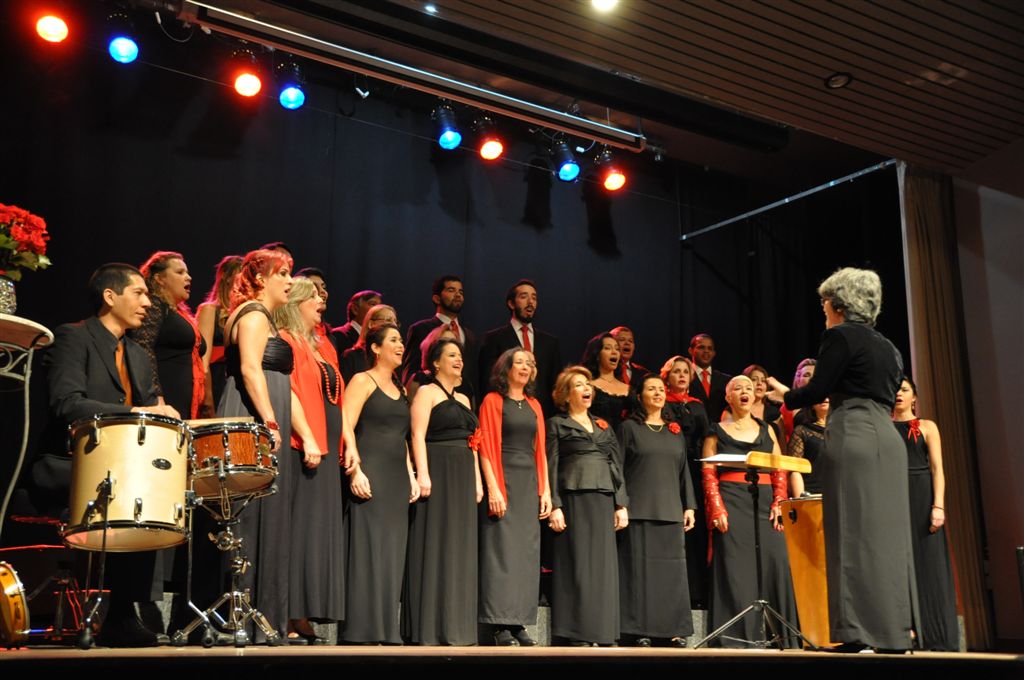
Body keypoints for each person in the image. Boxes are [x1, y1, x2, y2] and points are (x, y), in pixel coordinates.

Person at [774, 266, 914, 652]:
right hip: (887, 439)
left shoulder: (839, 336)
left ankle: (856, 632)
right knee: (885, 536)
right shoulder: (889, 347)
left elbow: (818, 388)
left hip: (854, 432)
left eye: (825, 305)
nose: (823, 312)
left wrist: (785, 395)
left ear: (838, 305)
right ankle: (892, 632)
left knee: (850, 532)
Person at [45, 263, 180, 647]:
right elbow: (67, 403)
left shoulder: (136, 353)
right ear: (110, 296)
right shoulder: (73, 337)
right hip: (73, 464)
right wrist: (137, 411)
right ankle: (120, 613)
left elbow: (151, 408)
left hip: (124, 468)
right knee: (130, 491)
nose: (147, 302)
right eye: (138, 293)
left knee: (154, 494)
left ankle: (126, 610)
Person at [218, 248, 294, 642]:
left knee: (266, 515)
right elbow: (250, 369)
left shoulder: (260, 315)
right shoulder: (252, 314)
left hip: (261, 417)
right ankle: (243, 619)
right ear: (261, 279)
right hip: (251, 419)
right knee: (250, 518)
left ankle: (260, 618)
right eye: (283, 273)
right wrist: (270, 421)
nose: (290, 281)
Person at [274, 277, 345, 645]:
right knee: (299, 529)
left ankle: (303, 609)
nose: (322, 301)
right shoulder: (286, 340)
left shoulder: (322, 344)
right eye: (314, 296)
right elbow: (289, 393)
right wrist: (308, 437)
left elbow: (337, 398)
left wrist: (348, 444)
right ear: (296, 303)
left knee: (317, 531)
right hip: (304, 443)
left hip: (328, 444)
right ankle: (288, 610)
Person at [702, 375, 797, 648]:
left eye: (748, 387)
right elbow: (708, 472)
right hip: (732, 501)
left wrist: (779, 501)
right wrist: (716, 506)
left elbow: (779, 467)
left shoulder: (767, 429)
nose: (744, 391)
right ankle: (738, 637)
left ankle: (779, 636)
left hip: (765, 502)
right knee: (735, 566)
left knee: (776, 560)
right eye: (737, 388)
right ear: (728, 397)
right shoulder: (716, 430)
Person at [341, 323, 419, 644]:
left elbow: (402, 438)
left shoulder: (402, 390)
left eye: (401, 340)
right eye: (393, 340)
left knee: (391, 552)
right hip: (370, 471)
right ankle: (361, 629)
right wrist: (354, 469)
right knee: (368, 549)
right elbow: (345, 423)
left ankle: (387, 629)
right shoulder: (363, 380)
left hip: (396, 479)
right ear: (375, 348)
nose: (400, 346)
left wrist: (411, 474)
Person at [403, 336, 481, 645]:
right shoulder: (426, 392)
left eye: (460, 355)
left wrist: (477, 480)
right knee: (436, 540)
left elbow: (473, 443)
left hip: (463, 473)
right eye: (451, 355)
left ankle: (456, 625)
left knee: (459, 545)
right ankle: (431, 626)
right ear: (436, 362)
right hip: (437, 467)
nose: (458, 360)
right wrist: (422, 473)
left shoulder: (464, 399)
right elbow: (417, 435)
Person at [546, 366, 629, 646]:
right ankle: (577, 632)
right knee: (577, 564)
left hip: (603, 498)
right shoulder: (557, 424)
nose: (586, 389)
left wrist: (621, 504)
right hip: (573, 498)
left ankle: (603, 632)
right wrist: (555, 505)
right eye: (579, 385)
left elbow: (616, 466)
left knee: (603, 567)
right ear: (566, 394)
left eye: (588, 385)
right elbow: (550, 465)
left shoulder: (603, 425)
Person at [478, 348, 551, 646]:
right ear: (506, 368)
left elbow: (540, 450)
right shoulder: (493, 401)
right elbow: (485, 447)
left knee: (525, 554)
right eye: (519, 362)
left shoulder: (534, 405)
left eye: (529, 363)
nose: (525, 367)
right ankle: (499, 624)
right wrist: (494, 488)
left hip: (528, 483)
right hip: (503, 478)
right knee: (501, 552)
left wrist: (545, 490)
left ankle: (519, 621)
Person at [616, 373, 696, 647]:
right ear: (640, 396)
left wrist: (689, 506)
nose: (659, 393)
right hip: (639, 511)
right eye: (652, 389)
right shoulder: (628, 428)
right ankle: (640, 630)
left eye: (661, 389)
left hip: (670, 511)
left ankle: (672, 630)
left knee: (671, 576)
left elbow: (684, 470)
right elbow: (617, 468)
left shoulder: (674, 431)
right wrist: (620, 503)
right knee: (640, 575)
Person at [893, 376, 958, 651]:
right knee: (898, 566)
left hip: (922, 497)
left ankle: (938, 634)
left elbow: (937, 469)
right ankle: (906, 633)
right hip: (893, 496)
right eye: (894, 390)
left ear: (914, 397)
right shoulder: (883, 427)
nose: (898, 394)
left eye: (904, 389)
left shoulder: (928, 426)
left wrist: (938, 505)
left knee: (930, 565)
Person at [660, 354, 711, 608]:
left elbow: (707, 438)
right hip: (670, 471)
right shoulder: (662, 404)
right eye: (676, 371)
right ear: (666, 376)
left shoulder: (698, 406)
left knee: (695, 531)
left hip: (694, 471)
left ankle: (696, 592)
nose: (681, 375)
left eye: (685, 372)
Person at [131, 251, 206, 419]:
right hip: (167, 399)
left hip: (186, 400)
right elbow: (143, 349)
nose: (188, 277)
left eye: (187, 272)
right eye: (180, 272)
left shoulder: (179, 312)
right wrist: (156, 397)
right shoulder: (153, 306)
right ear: (159, 278)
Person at [479, 279, 562, 417]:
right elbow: (488, 381)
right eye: (524, 297)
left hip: (543, 414)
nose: (530, 302)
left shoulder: (550, 342)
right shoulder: (494, 338)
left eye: (534, 298)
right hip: (507, 413)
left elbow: (556, 384)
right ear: (511, 303)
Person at [402, 275, 477, 403]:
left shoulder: (470, 335)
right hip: (431, 400)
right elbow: (410, 371)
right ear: (437, 298)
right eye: (451, 290)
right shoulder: (421, 329)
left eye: (461, 292)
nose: (458, 295)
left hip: (464, 401)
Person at [197, 255, 243, 414]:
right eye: (241, 273)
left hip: (239, 380)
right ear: (226, 276)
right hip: (217, 381)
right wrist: (207, 397)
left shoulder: (245, 312)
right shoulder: (210, 310)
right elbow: (203, 359)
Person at [582, 332, 630, 430]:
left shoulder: (629, 390)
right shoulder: (587, 386)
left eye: (617, 349)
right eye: (608, 348)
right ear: (597, 355)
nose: (614, 352)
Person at [339, 303, 398, 384]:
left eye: (395, 321)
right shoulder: (352, 356)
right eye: (388, 320)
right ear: (371, 324)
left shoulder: (392, 358)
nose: (394, 325)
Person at [721, 365, 782, 442]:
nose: (759, 383)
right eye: (754, 379)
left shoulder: (775, 413)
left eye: (763, 380)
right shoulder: (732, 410)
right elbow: (726, 441)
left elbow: (782, 443)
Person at [404, 325, 457, 402]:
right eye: (444, 343)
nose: (451, 347)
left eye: (454, 343)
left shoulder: (466, 385)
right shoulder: (421, 379)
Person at [687, 333, 731, 420]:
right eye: (701, 347)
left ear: (714, 353)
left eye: (710, 348)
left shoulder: (726, 380)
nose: (706, 351)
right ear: (691, 351)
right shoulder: (684, 379)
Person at [332, 289, 382, 353]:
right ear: (355, 309)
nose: (380, 309)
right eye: (372, 304)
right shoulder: (338, 335)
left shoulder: (377, 339)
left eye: (380, 306)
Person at [779, 358, 816, 442]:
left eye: (815, 376)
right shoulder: (788, 407)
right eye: (806, 375)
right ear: (798, 380)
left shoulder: (827, 403)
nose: (811, 378)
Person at [295, 266, 335, 342]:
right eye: (314, 288)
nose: (323, 291)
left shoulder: (329, 334)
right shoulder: (288, 337)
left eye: (324, 287)